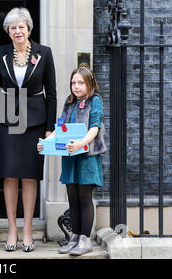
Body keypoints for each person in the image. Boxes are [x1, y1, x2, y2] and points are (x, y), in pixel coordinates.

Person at [0, 7, 57, 252]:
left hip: (35, 122)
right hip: (6, 121)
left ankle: (28, 229)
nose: (17, 31)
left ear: (29, 29)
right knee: (10, 175)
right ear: (8, 31)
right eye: (13, 27)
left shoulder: (44, 53)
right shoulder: (0, 54)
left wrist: (50, 128)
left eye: (21, 27)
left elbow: (51, 92)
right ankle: (12, 230)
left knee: (30, 175)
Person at [37, 66, 107, 256]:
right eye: (73, 83)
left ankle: (85, 240)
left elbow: (95, 128)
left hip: (86, 157)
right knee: (73, 200)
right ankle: (75, 238)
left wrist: (80, 144)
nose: (76, 87)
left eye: (80, 83)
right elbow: (60, 129)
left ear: (89, 83)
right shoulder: (69, 103)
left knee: (85, 199)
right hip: (69, 157)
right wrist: (46, 142)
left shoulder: (95, 101)